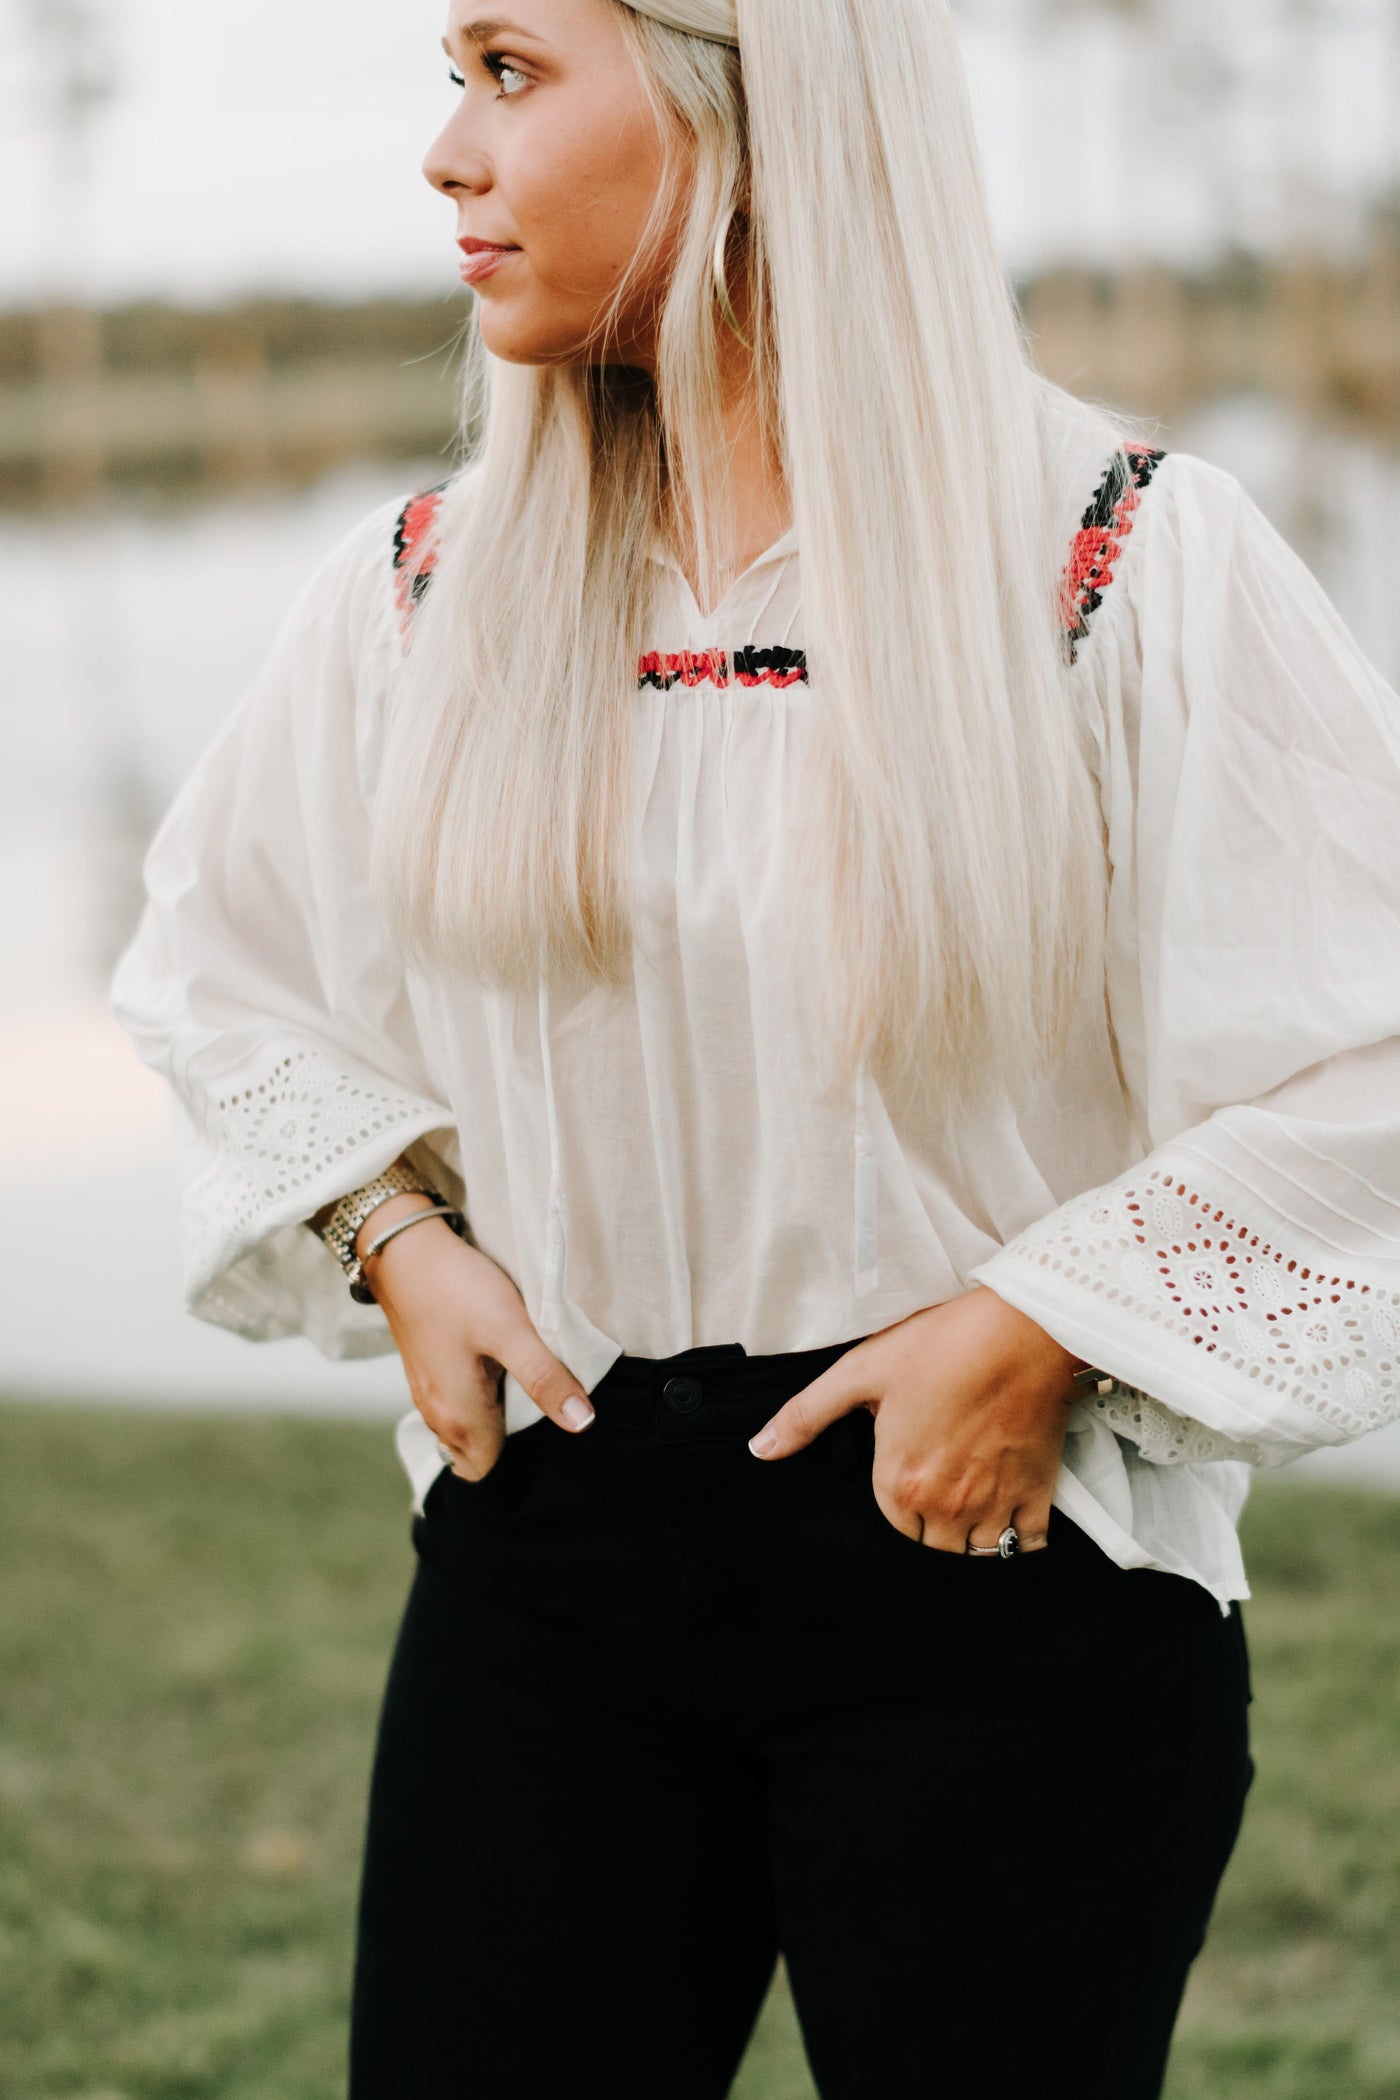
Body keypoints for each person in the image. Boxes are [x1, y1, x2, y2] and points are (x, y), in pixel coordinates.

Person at [109, 1, 1400, 2094]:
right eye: (452, 77)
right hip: (550, 1566)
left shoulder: (1114, 562)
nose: (446, 152)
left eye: (511, 70)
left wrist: (1037, 1326)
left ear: (754, 102)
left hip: (993, 1560)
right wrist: (391, 1237)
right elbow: (224, 971)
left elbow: (1369, 1052)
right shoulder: (428, 592)